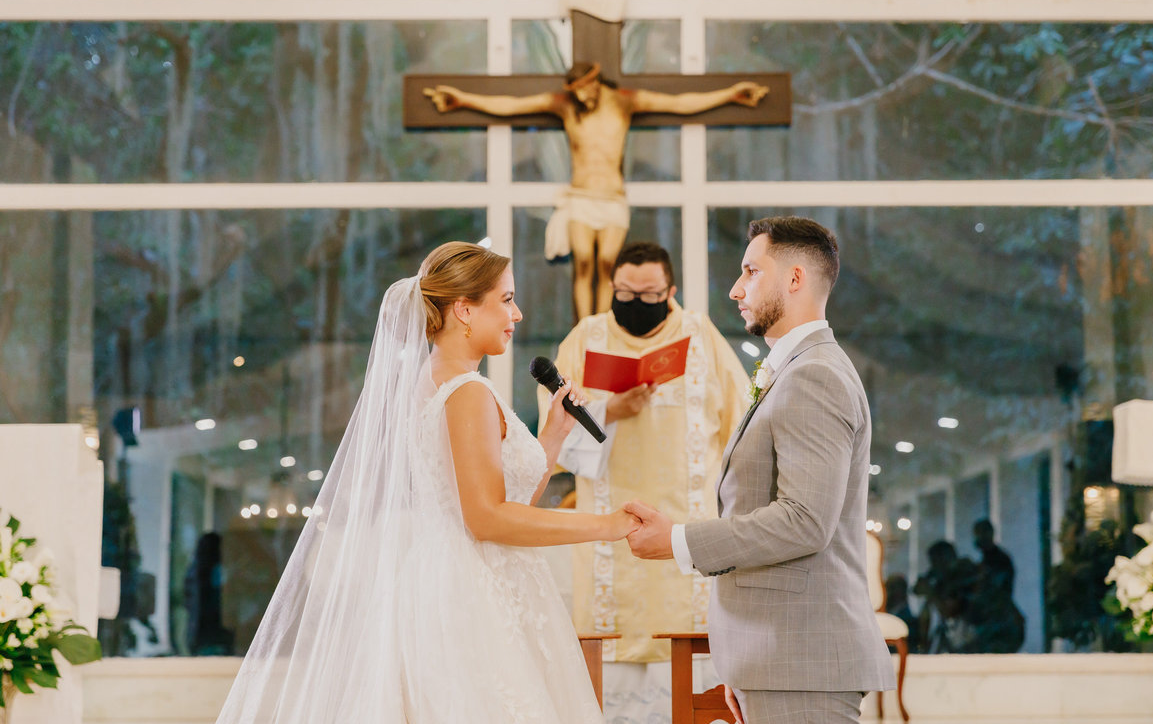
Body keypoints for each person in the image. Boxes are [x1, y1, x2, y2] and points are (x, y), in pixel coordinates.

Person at [215, 241, 638, 723]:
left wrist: (554, 436)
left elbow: (504, 501)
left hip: (451, 574)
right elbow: (486, 519)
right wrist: (606, 525)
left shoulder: (434, 380)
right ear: (464, 310)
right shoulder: (467, 392)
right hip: (473, 591)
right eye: (506, 300)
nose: (517, 314)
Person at [624, 216, 895, 724]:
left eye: (751, 271)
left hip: (803, 664)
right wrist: (745, 666)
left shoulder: (814, 374)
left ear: (794, 278)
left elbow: (804, 521)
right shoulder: (795, 369)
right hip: (776, 661)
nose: (735, 289)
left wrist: (678, 541)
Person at [537, 241, 749, 721]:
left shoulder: (701, 335)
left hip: (686, 529)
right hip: (610, 537)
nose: (636, 303)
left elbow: (741, 424)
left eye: (649, 295)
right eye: (625, 293)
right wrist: (611, 409)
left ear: (670, 291)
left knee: (690, 661)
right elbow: (552, 428)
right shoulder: (586, 337)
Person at [424, 63, 769, 319]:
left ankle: (600, 324)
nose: (581, 96)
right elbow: (512, 105)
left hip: (612, 198)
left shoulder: (623, 102)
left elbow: (680, 103)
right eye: (575, 91)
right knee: (584, 265)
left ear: (595, 80)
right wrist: (462, 100)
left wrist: (731, 94)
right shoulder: (565, 106)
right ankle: (582, 327)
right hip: (581, 197)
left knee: (607, 266)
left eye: (584, 89)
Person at [968, 519, 1025, 653]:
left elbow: (994, 589)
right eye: (977, 534)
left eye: (982, 533)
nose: (979, 538)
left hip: (1000, 622)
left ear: (991, 534)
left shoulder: (999, 560)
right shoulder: (987, 560)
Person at [913, 540, 976, 654]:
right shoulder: (941, 577)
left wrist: (930, 592)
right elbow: (916, 590)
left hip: (964, 638)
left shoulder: (963, 575)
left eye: (936, 561)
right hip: (949, 638)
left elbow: (950, 611)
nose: (934, 565)